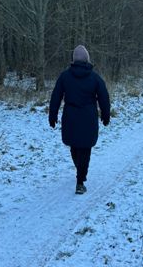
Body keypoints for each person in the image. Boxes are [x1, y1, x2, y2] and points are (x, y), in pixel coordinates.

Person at [49, 45, 111, 194]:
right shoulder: (95, 78)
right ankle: (80, 180)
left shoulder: (65, 76)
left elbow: (56, 96)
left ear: (74, 60)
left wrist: (52, 115)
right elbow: (104, 97)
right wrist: (106, 115)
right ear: (87, 59)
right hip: (88, 117)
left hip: (70, 117)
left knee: (75, 146)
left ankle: (79, 171)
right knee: (85, 148)